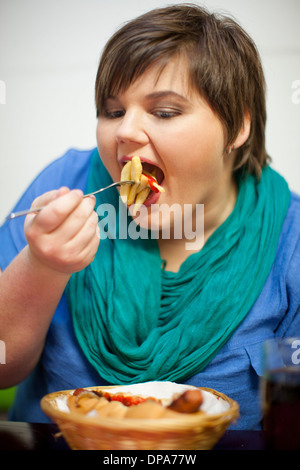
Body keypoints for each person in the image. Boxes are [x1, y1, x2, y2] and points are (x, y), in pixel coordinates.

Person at [0, 3, 299, 430]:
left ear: (238, 127)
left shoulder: (292, 238)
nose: (124, 132)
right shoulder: (65, 183)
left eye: (164, 112)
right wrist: (41, 266)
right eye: (113, 111)